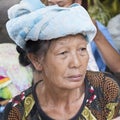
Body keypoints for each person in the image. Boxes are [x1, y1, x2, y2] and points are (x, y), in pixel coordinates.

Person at [4, 0, 120, 119]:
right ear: (36, 60)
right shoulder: (17, 112)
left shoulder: (106, 89)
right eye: (63, 52)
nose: (76, 63)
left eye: (82, 49)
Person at [46, 0, 120, 73]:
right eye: (51, 5)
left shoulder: (92, 27)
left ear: (77, 2)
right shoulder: (44, 30)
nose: (55, 10)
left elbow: (117, 67)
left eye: (61, 5)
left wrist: (97, 35)